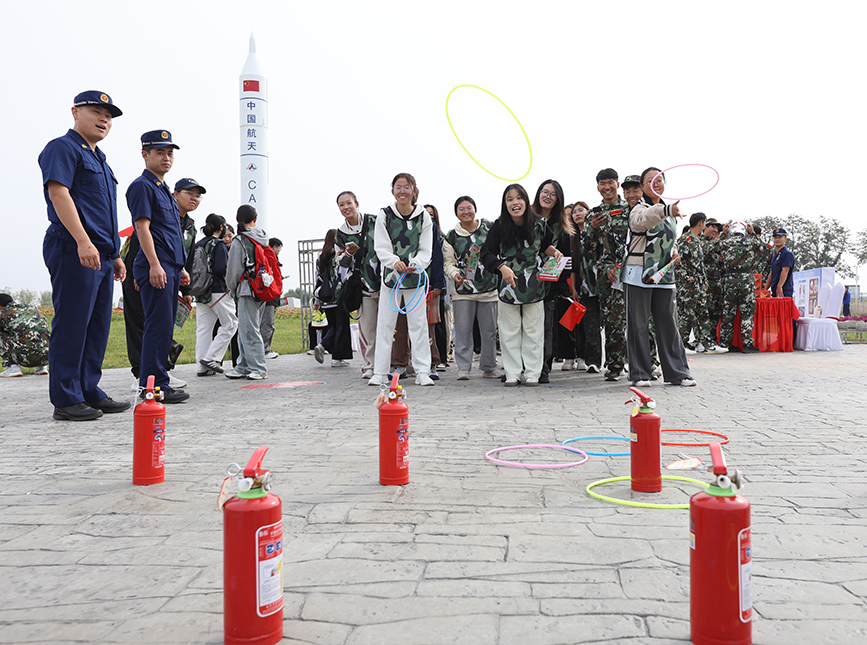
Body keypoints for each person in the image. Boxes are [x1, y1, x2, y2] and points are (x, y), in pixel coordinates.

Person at [39, 91, 130, 421]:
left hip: (102, 255)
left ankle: (88, 389)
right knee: (73, 323)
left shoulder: (102, 160)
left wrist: (115, 254)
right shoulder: (62, 148)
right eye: (96, 111)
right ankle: (65, 398)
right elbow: (58, 192)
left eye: (108, 115)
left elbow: (105, 212)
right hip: (74, 248)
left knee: (97, 326)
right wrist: (82, 240)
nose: (104, 118)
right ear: (75, 112)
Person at [127, 130, 190, 403]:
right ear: (145, 155)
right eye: (159, 152)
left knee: (164, 326)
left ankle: (158, 380)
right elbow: (142, 227)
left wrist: (182, 266)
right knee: (156, 325)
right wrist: (154, 264)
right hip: (156, 265)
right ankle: (152, 386)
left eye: (170, 153)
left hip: (171, 266)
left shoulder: (164, 189)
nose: (166, 158)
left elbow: (171, 231)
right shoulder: (142, 186)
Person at [481, 184, 562, 386]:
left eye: (519, 198)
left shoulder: (540, 224)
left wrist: (554, 252)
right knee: (509, 331)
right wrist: (501, 267)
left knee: (534, 331)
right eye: (509, 199)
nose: (515, 203)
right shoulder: (499, 226)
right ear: (505, 204)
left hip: (534, 285)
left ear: (526, 201)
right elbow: (486, 253)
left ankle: (532, 372)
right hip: (508, 286)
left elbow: (545, 246)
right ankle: (512, 373)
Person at [622, 167, 695, 387]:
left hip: (664, 275)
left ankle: (677, 373)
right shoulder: (639, 208)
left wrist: (674, 252)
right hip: (638, 273)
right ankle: (640, 373)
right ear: (643, 187)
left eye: (659, 179)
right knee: (638, 324)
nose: (656, 183)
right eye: (650, 180)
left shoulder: (671, 213)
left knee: (669, 324)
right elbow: (641, 222)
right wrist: (666, 210)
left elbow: (669, 240)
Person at [370, 173, 435, 387]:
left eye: (407, 187)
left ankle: (422, 371)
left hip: (415, 279)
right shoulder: (385, 214)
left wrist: (416, 263)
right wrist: (394, 261)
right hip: (391, 279)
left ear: (414, 191)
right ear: (392, 191)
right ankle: (379, 372)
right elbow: (381, 245)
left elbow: (426, 248)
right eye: (398, 187)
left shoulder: (423, 216)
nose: (402, 191)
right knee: (386, 325)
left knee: (418, 325)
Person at [442, 195, 503, 381]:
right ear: (456, 213)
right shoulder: (451, 236)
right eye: (461, 209)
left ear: (475, 209)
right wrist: (454, 274)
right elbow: (448, 262)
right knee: (462, 330)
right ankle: (464, 368)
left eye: (469, 208)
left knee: (489, 331)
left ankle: (489, 366)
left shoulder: (489, 228)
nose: (466, 212)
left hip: (488, 289)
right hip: (463, 292)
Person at [585, 169, 630, 381]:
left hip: (632, 270)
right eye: (602, 183)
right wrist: (592, 229)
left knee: (640, 319)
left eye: (610, 182)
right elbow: (588, 246)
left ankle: (646, 361)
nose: (607, 187)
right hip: (607, 275)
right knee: (613, 321)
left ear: (617, 184)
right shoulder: (593, 214)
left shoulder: (630, 209)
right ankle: (614, 365)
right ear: (598, 187)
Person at [531, 180, 574, 382]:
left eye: (553, 194)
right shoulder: (525, 217)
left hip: (548, 284)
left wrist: (562, 285)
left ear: (558, 200)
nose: (547, 196)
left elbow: (566, 258)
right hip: (524, 283)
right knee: (524, 328)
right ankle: (520, 366)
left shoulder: (562, 226)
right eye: (544, 192)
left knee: (546, 327)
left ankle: (543, 368)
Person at [334, 191, 380, 379]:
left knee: (390, 326)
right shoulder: (341, 233)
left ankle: (397, 363)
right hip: (362, 285)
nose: (346, 207)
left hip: (386, 282)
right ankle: (370, 365)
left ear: (356, 203)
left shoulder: (375, 222)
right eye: (341, 205)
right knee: (367, 327)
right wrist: (349, 254)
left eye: (349, 203)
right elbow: (342, 263)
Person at [226, 205, 271, 379]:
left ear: (238, 221)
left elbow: (234, 270)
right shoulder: (262, 237)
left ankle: (259, 368)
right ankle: (243, 366)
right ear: (255, 219)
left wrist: (231, 287)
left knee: (249, 330)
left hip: (246, 289)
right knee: (247, 328)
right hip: (262, 288)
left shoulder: (240, 240)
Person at [675, 212, 727, 354]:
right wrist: (687, 278)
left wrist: (704, 281)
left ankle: (708, 344)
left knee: (703, 315)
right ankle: (681, 344)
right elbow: (678, 263)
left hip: (699, 285)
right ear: (700, 223)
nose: (704, 226)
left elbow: (700, 264)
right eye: (704, 223)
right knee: (687, 315)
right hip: (688, 286)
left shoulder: (697, 241)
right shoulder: (684, 241)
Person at [194, 214, 238, 376]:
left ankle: (201, 366)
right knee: (231, 323)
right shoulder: (218, 244)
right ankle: (212, 358)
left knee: (204, 329)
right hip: (217, 290)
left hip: (200, 291)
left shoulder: (199, 243)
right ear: (221, 227)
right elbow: (221, 269)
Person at [719, 221, 765, 353]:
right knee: (747, 313)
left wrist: (723, 234)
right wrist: (753, 234)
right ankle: (747, 344)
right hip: (746, 280)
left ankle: (725, 343)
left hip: (729, 280)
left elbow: (713, 249)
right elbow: (763, 249)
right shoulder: (751, 241)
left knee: (728, 312)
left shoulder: (725, 242)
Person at [313, 229, 353, 367]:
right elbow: (342, 275)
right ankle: (337, 358)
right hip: (339, 297)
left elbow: (317, 279)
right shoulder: (339, 255)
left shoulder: (320, 257)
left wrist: (317, 300)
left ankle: (322, 345)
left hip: (325, 298)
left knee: (334, 326)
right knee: (342, 327)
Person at [569, 201, 601, 372]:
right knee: (590, 326)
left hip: (606, 284)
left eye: (581, 210)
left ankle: (618, 362)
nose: (577, 213)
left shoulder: (598, 230)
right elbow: (574, 266)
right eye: (574, 212)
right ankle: (593, 362)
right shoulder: (573, 237)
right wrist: (574, 288)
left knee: (614, 326)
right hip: (586, 286)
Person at [0, 294, 49, 377]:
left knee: (2, 333)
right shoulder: (32, 308)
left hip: (25, 359)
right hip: (47, 357)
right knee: (38, 331)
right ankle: (41, 367)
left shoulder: (4, 314)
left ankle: (13, 367)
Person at [261, 237, 283, 359]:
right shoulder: (268, 258)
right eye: (279, 248)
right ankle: (265, 349)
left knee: (268, 324)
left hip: (272, 296)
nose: (279, 251)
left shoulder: (272, 259)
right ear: (274, 247)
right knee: (267, 324)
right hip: (269, 297)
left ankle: (266, 348)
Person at [766, 227, 795, 298]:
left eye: (780, 237)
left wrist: (780, 286)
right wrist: (765, 288)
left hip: (784, 291)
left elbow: (785, 270)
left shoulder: (787, 253)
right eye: (775, 237)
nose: (777, 239)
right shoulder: (775, 255)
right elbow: (772, 272)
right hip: (775, 290)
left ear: (785, 239)